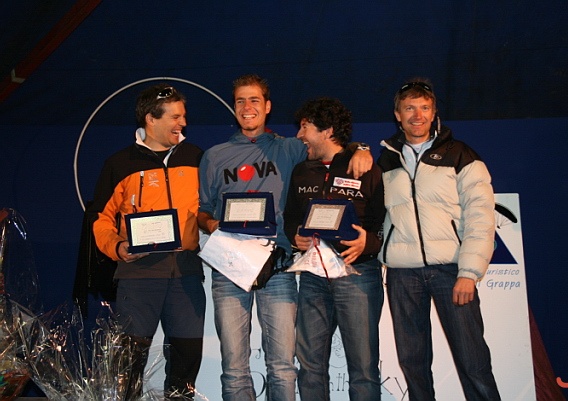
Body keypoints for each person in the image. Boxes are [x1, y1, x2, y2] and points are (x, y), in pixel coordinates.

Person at [197, 74, 372, 401]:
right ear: (234, 107)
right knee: (234, 368)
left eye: (254, 100)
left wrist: (359, 148)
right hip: (229, 265)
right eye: (240, 101)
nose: (247, 107)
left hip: (276, 265)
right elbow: (203, 210)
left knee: (282, 366)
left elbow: (328, 143)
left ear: (267, 106)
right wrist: (211, 224)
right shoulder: (214, 155)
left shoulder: (290, 148)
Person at [377, 79, 501, 401]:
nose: (417, 115)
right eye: (409, 108)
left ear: (433, 113)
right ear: (398, 114)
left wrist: (469, 272)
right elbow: (378, 214)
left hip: (451, 271)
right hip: (403, 274)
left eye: (424, 108)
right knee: (413, 364)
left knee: (473, 361)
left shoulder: (460, 154)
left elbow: (480, 216)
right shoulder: (387, 159)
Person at [91, 84, 205, 400]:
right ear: (151, 119)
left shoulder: (196, 157)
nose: (183, 123)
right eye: (175, 117)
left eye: (183, 116)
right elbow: (100, 219)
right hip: (139, 276)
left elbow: (210, 208)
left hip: (186, 275)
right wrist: (116, 247)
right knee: (129, 364)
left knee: (186, 362)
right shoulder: (119, 163)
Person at [284, 97, 385, 401]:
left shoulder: (365, 167)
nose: (299, 135)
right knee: (309, 366)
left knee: (363, 369)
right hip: (313, 277)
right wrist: (295, 237)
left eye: (305, 128)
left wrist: (370, 242)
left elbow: (386, 223)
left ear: (327, 131)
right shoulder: (301, 171)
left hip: (358, 274)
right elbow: (291, 218)